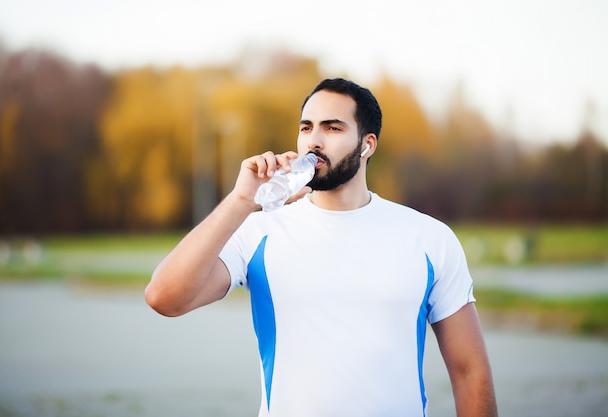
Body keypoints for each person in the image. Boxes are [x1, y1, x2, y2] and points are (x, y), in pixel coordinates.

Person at [145, 78, 498, 417]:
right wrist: (240, 200)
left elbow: (470, 371)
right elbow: (164, 297)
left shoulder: (428, 238)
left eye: (332, 128)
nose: (314, 141)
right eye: (306, 128)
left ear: (367, 144)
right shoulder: (259, 231)